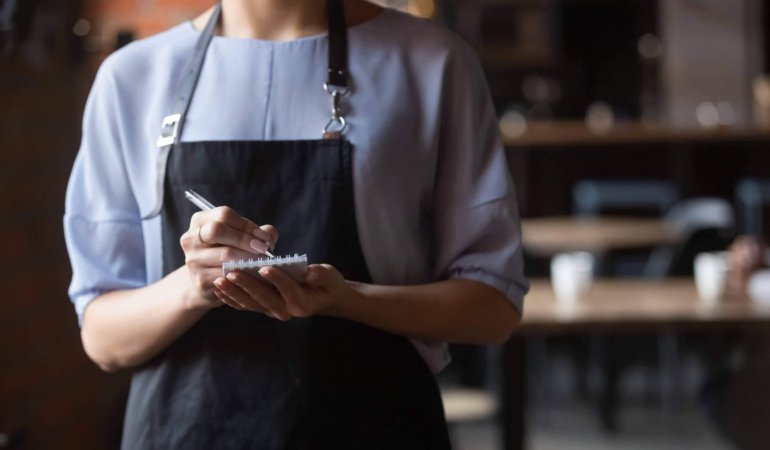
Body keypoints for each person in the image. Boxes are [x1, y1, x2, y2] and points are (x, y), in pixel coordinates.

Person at [64, 0, 527, 448]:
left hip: (376, 427)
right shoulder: (132, 77)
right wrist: (192, 286)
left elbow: (492, 310)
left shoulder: (433, 62)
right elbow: (104, 339)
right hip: (181, 431)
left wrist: (348, 299)